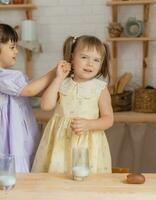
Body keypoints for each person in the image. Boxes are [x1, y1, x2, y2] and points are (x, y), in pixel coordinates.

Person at [0, 23, 59, 173]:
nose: (16, 51)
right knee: (3, 168)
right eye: (12, 47)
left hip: (17, 133)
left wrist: (59, 82)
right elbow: (29, 90)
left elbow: (37, 90)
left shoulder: (11, 76)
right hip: (1, 137)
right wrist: (54, 72)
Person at [32, 35, 113, 174]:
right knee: (58, 178)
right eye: (84, 57)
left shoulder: (100, 88)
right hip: (59, 141)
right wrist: (58, 78)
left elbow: (108, 119)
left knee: (85, 182)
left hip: (88, 143)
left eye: (96, 60)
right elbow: (46, 106)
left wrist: (89, 124)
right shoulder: (62, 83)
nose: (90, 63)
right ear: (71, 58)